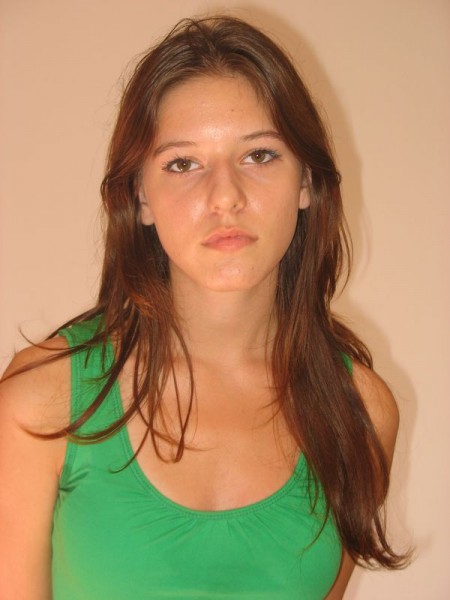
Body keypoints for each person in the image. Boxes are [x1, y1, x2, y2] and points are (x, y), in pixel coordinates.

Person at [0, 15, 408, 600]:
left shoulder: (360, 412)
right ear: (141, 197)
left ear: (306, 183)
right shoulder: (40, 402)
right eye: (183, 163)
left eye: (259, 155)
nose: (225, 197)